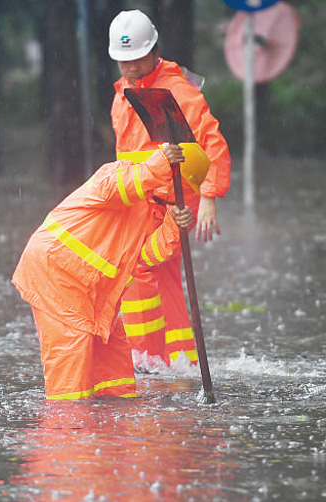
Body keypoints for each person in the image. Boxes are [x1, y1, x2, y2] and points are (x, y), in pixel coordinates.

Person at [12, 143, 209, 400]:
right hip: (57, 275)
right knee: (71, 367)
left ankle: (110, 432)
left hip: (94, 292)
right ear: (173, 176)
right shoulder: (119, 173)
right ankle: (65, 431)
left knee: (115, 368)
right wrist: (158, 164)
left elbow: (146, 257)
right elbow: (119, 189)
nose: (182, 198)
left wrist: (174, 227)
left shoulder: (153, 209)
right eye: (182, 189)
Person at [108, 10, 231, 367]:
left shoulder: (177, 91)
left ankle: (148, 358)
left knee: (140, 268)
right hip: (141, 200)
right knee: (158, 277)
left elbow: (212, 141)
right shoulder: (124, 93)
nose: (130, 68)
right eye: (123, 61)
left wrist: (209, 197)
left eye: (137, 59)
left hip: (173, 203)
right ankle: (174, 360)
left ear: (153, 51)